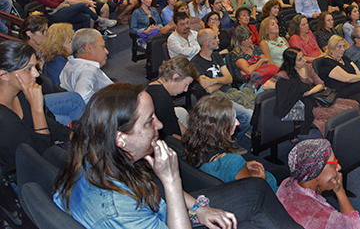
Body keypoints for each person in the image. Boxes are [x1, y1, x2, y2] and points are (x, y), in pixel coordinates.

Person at [53, 82, 301, 229]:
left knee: (256, 190)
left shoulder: (101, 155)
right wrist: (171, 180)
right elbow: (161, 197)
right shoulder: (116, 209)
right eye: (149, 121)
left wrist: (199, 210)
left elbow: (152, 191)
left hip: (162, 212)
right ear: (121, 138)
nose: (160, 125)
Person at [279, 138, 360, 229]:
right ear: (317, 174)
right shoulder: (327, 219)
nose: (339, 167)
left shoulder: (286, 184)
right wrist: (340, 191)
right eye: (333, 164)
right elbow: (353, 226)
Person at [0, 40, 71, 174]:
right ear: (4, 75)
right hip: (26, 176)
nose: (36, 74)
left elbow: (50, 125)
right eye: (28, 69)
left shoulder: (20, 94)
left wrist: (77, 136)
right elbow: (38, 158)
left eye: (35, 67)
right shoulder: (3, 119)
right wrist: (37, 109)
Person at [183, 94, 278, 192]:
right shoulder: (233, 161)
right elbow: (252, 189)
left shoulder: (190, 144)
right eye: (233, 120)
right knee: (280, 173)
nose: (237, 123)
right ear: (220, 128)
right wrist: (262, 180)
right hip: (252, 193)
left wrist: (244, 166)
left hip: (214, 191)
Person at [191, 28, 252, 142]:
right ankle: (230, 143)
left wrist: (213, 81)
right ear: (205, 42)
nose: (218, 40)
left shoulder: (216, 56)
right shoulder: (195, 62)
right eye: (214, 38)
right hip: (215, 99)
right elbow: (209, 89)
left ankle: (245, 135)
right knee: (248, 115)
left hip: (229, 92)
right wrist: (222, 81)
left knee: (256, 105)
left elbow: (229, 79)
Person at [147, 56, 198, 140]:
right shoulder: (163, 99)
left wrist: (187, 135)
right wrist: (188, 143)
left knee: (182, 112)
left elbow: (173, 117)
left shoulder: (154, 83)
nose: (185, 90)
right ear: (175, 77)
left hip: (164, 125)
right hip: (162, 137)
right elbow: (169, 136)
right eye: (186, 84)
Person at [59, 28, 112, 103]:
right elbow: (82, 98)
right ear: (88, 48)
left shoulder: (69, 65)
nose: (106, 51)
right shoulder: (88, 70)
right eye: (102, 47)